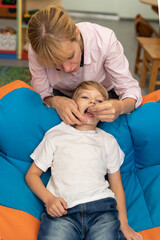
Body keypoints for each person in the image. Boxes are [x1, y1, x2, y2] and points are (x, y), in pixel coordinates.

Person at [25, 81, 142, 240]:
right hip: (63, 213)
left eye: (99, 101)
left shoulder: (108, 141)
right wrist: (49, 199)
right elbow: (32, 175)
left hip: (102, 211)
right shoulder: (56, 135)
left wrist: (123, 223)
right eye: (85, 97)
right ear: (72, 104)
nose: (92, 102)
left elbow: (116, 185)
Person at [27, 4, 142, 126]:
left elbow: (130, 90)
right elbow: (41, 94)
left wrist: (121, 106)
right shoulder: (37, 51)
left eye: (70, 56)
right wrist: (54, 101)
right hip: (60, 96)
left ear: (76, 34)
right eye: (55, 64)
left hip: (103, 94)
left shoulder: (104, 40)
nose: (67, 68)